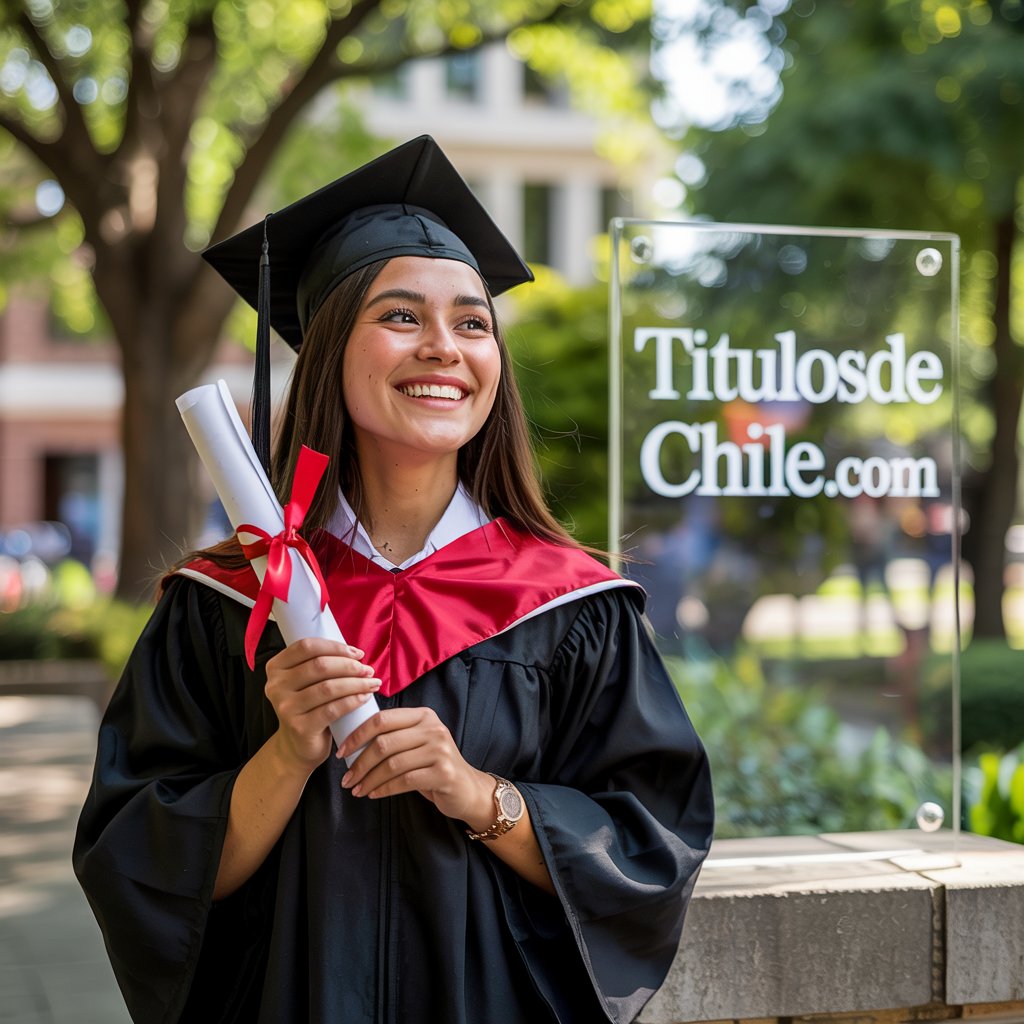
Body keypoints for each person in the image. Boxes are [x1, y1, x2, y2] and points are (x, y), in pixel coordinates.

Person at [73, 136, 713, 1024]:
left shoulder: (571, 607)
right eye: (402, 316)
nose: (444, 347)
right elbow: (136, 861)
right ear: (332, 346)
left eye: (473, 321)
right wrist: (287, 751)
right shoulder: (229, 603)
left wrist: (479, 795)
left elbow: (651, 845)